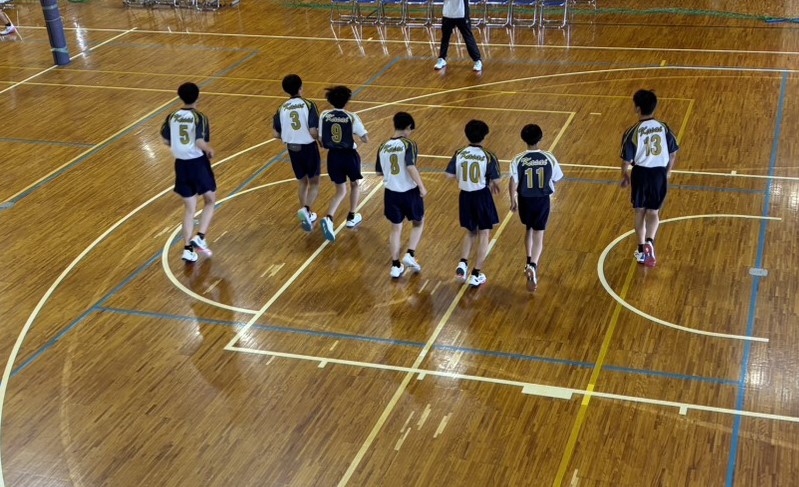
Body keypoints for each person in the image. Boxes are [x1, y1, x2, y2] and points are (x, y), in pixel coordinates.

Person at [620, 89, 679, 267]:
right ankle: (650, 242)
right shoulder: (664, 128)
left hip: (641, 174)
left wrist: (625, 175)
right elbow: (673, 153)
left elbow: (626, 161)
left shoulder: (632, 132)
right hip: (659, 173)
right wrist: (667, 172)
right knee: (653, 212)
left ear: (637, 108)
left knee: (639, 211)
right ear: (655, 107)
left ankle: (641, 249)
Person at [161, 82, 217, 263]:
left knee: (189, 208)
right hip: (198, 164)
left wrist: (177, 146)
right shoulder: (199, 117)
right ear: (198, 96)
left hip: (181, 165)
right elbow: (199, 140)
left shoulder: (172, 116)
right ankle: (200, 236)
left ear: (180, 97)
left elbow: (165, 139)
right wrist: (208, 149)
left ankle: (187, 249)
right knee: (210, 200)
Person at [509, 124, 564, 291]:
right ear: (541, 138)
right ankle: (533, 264)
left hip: (525, 199)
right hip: (541, 199)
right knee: (539, 233)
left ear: (523, 139)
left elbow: (512, 181)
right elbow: (557, 178)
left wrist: (513, 200)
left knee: (529, 228)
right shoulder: (549, 157)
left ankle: (528, 260)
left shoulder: (518, 159)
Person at [446, 120, 500, 287]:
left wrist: (463, 179)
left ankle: (463, 263)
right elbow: (497, 180)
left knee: (470, 232)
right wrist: (492, 183)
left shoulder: (459, 153)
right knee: (484, 234)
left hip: (465, 196)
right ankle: (476, 273)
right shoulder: (488, 156)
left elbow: (449, 175)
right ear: (484, 136)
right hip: (481, 196)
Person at [375, 112, 427, 278]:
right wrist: (422, 186)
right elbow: (411, 166)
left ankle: (395, 265)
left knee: (395, 228)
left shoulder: (383, 146)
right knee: (418, 222)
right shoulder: (408, 144)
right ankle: (410, 253)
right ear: (408, 128)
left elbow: (379, 172)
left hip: (391, 193)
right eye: (410, 130)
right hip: (409, 192)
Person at [318, 85, 369, 242]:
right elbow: (365, 139)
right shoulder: (352, 117)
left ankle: (329, 217)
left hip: (333, 156)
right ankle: (351, 216)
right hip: (349, 156)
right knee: (354, 184)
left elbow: (320, 139)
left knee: (340, 190)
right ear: (347, 101)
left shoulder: (324, 115)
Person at [273, 74, 321, 233]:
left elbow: (276, 134)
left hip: (292, 148)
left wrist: (290, 135)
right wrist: (320, 141)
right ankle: (306, 210)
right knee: (314, 183)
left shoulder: (281, 108)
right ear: (301, 87)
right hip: (308, 147)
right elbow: (313, 131)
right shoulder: (308, 105)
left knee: (302, 182)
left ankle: (305, 213)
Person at [433, 0, 483, 72]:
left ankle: (477, 60)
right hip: (447, 14)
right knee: (445, 38)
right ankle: (442, 58)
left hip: (461, 14)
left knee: (468, 38)